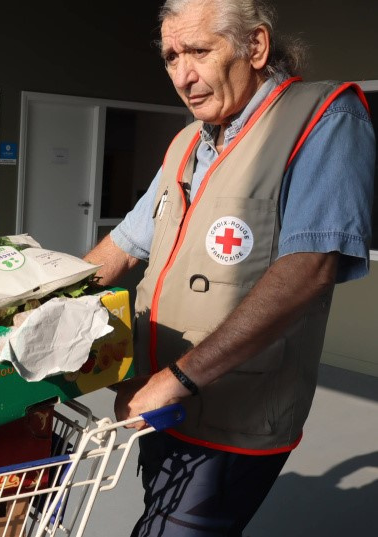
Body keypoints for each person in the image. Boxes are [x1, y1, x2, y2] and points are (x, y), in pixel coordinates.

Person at [83, 0, 375, 535]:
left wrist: (177, 379)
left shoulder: (324, 118)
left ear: (256, 47)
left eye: (198, 50)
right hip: (157, 401)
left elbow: (309, 268)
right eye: (171, 57)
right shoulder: (188, 142)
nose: (182, 75)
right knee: (158, 513)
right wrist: (31, 301)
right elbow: (122, 246)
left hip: (233, 412)